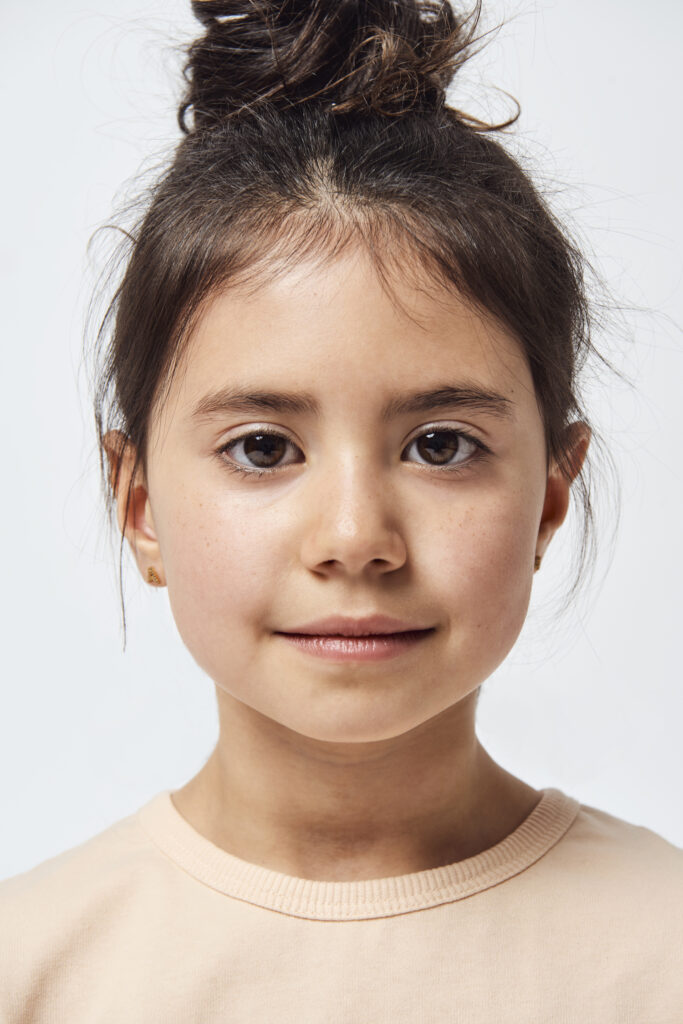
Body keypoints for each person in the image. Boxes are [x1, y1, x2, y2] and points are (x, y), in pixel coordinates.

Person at [1, 0, 681, 1019]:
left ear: (549, 494)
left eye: (439, 445)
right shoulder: (32, 968)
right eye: (263, 449)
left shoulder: (659, 950)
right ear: (138, 503)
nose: (355, 539)